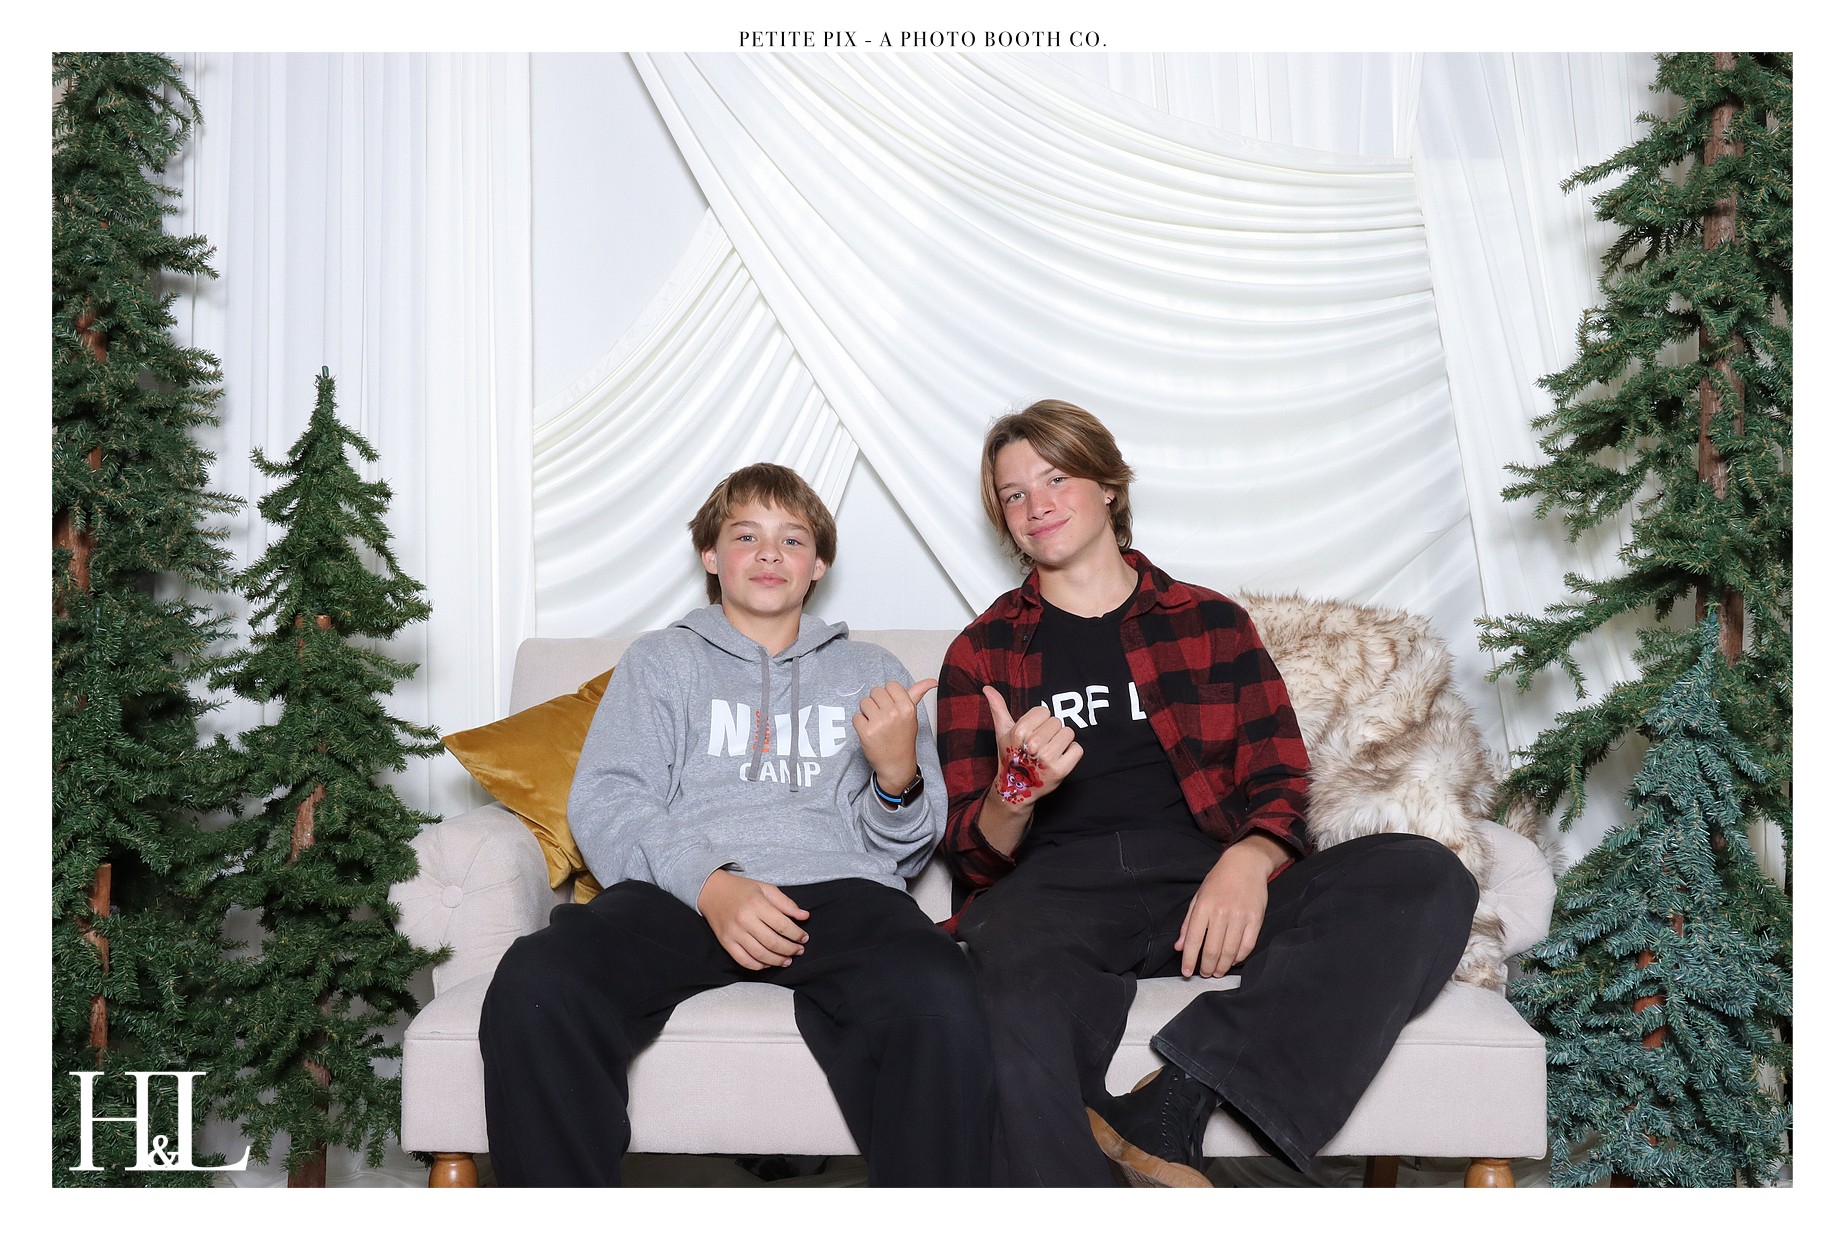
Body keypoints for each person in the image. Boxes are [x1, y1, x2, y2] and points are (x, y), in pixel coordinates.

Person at [936, 400, 1479, 1187]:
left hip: (1202, 877)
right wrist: (1012, 791)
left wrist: (1250, 859)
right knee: (1004, 984)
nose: (1037, 504)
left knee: (1426, 875)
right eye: (1014, 494)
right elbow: (973, 860)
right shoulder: (981, 652)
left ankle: (1176, 1098)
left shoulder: (1211, 623)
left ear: (1108, 487)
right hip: (1056, 896)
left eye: (1055, 478)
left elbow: (1279, 779)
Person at [480, 463, 992, 1187]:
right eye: (746, 535)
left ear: (818, 565)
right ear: (711, 556)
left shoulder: (871, 670)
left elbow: (904, 853)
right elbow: (610, 798)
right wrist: (711, 885)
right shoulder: (660, 660)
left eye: (792, 539)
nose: (769, 553)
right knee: (538, 980)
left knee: (939, 987)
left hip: (840, 895)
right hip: (683, 896)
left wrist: (896, 775)